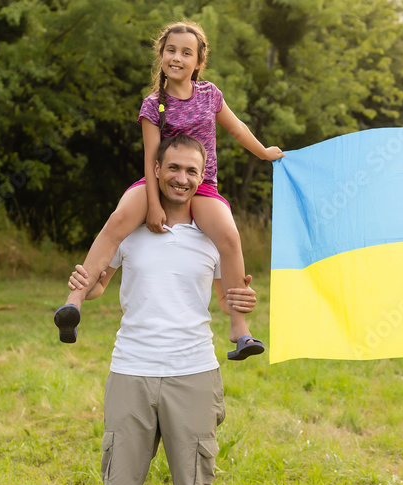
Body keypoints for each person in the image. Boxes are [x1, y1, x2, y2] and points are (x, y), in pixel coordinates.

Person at [69, 134, 257, 485]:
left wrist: (244, 298)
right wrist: (83, 284)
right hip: (131, 372)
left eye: (191, 171)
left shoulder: (211, 233)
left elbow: (230, 299)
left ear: (202, 176)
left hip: (193, 374)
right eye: (172, 167)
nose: (181, 178)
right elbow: (101, 281)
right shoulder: (132, 227)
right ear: (155, 168)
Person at [53, 20, 283, 360]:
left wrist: (263, 152)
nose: (177, 57)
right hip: (157, 181)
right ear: (161, 55)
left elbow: (237, 128)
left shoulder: (210, 95)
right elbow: (150, 158)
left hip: (201, 185)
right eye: (171, 50)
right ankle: (73, 302)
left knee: (230, 238)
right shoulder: (153, 104)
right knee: (117, 222)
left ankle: (240, 328)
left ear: (198, 62)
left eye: (186, 52)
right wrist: (152, 202)